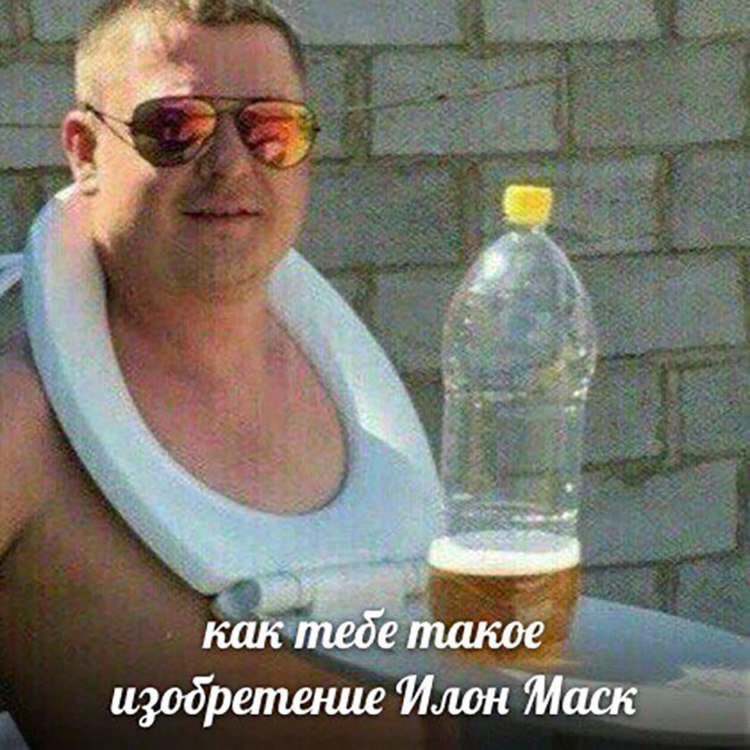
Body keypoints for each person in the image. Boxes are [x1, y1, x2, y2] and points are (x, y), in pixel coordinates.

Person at [0, 1, 459, 747]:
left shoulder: (357, 401)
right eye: (175, 128)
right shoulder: (20, 423)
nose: (230, 165)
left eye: (270, 129)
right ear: (85, 151)